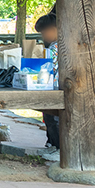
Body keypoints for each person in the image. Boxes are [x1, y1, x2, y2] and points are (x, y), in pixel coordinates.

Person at [34, 13, 60, 152]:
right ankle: (53, 144)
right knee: (50, 118)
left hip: (55, 87)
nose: (44, 36)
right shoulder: (53, 46)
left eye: (45, 32)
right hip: (52, 86)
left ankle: (56, 146)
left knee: (53, 119)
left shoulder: (55, 48)